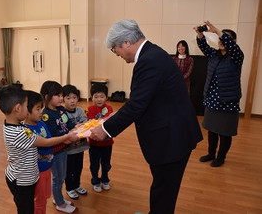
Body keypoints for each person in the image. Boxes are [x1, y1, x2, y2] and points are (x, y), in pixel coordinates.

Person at [90, 19, 203, 214]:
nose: (116, 53)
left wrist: (105, 129)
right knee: (163, 187)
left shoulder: (149, 61)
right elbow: (148, 100)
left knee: (164, 192)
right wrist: (115, 116)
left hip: (171, 140)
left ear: (126, 42)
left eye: (114, 48)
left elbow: (136, 105)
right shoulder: (153, 54)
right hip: (173, 133)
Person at [0, 85, 79, 214]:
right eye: (26, 106)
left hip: (22, 176)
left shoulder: (12, 125)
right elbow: (45, 142)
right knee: (27, 209)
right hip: (22, 181)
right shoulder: (20, 132)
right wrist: (67, 137)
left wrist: (65, 138)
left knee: (29, 206)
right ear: (18, 108)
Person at [194, 21, 244, 167]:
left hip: (228, 101)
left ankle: (221, 157)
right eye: (221, 39)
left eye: (225, 38)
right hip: (212, 100)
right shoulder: (214, 55)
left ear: (233, 42)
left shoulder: (236, 57)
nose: (222, 41)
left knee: (225, 132)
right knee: (212, 130)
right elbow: (203, 46)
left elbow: (232, 47)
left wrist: (216, 30)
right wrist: (200, 34)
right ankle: (211, 153)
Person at [40, 81, 77, 213]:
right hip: (56, 152)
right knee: (58, 178)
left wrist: (77, 127)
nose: (61, 98)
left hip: (64, 149)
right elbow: (51, 137)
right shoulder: (45, 115)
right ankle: (60, 203)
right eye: (57, 95)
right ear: (46, 96)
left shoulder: (61, 109)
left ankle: (58, 197)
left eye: (61, 95)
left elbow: (69, 124)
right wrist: (67, 138)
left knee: (61, 176)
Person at [24, 90, 53, 214]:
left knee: (45, 197)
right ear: (26, 111)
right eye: (38, 109)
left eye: (41, 108)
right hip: (37, 172)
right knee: (39, 201)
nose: (41, 112)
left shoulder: (41, 124)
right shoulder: (25, 131)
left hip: (47, 168)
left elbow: (50, 140)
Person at [63, 84, 89, 199]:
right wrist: (75, 126)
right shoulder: (62, 113)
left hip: (80, 146)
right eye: (68, 98)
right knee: (69, 170)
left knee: (79, 167)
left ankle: (77, 185)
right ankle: (69, 188)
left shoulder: (79, 110)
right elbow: (63, 128)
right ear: (62, 99)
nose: (72, 101)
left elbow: (85, 121)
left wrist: (84, 124)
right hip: (68, 149)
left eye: (74, 98)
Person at [86, 83, 114, 192]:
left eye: (102, 96)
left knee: (106, 163)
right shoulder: (89, 109)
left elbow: (111, 122)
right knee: (94, 164)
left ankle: (105, 179)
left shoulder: (109, 108)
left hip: (107, 143)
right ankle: (95, 180)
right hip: (94, 144)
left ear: (106, 97)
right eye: (96, 97)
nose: (99, 99)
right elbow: (89, 124)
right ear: (91, 97)